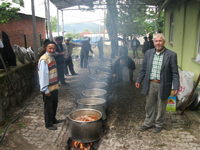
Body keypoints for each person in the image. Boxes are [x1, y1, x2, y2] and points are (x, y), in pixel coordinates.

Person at [135, 33, 179, 133]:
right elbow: (143, 69)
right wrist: (139, 80)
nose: (158, 43)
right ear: (153, 42)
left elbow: (175, 73)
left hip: (163, 84)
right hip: (150, 84)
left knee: (162, 106)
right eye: (156, 41)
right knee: (149, 105)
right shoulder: (148, 53)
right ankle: (148, 123)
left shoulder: (171, 55)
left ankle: (159, 124)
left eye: (160, 41)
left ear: (163, 42)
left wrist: (176, 86)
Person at [38, 41, 66, 130]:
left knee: (54, 105)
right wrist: (45, 90)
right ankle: (48, 124)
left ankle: (53, 119)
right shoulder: (44, 60)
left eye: (53, 48)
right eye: (50, 48)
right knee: (48, 107)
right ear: (46, 48)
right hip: (48, 89)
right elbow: (43, 76)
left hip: (54, 87)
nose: (52, 50)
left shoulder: (52, 57)